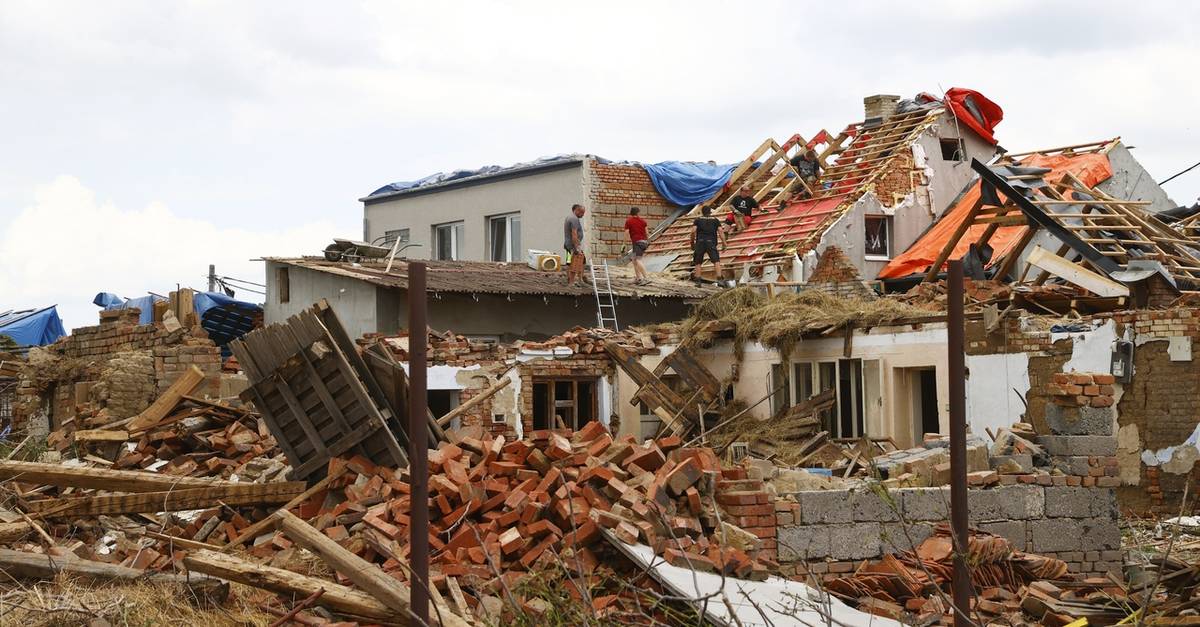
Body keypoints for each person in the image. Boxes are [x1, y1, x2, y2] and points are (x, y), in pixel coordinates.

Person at [690, 205, 727, 281]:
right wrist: (724, 243)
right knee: (716, 261)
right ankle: (720, 279)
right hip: (711, 243)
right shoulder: (715, 220)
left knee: (698, 261)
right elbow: (720, 231)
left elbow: (693, 231)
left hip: (700, 242)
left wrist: (692, 242)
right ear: (710, 212)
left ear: (702, 212)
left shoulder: (698, 220)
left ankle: (698, 280)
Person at [624, 207, 650, 285]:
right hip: (643, 242)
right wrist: (646, 241)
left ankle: (646, 278)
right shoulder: (643, 221)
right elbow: (647, 233)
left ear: (631, 213)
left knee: (638, 260)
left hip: (637, 242)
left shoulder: (629, 221)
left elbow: (626, 233)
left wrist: (624, 244)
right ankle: (638, 278)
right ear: (638, 213)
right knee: (634, 259)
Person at [563, 204, 587, 287]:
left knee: (572, 262)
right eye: (582, 212)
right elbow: (574, 234)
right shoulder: (574, 219)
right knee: (574, 262)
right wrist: (577, 248)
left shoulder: (569, 217)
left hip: (568, 245)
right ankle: (572, 282)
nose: (583, 215)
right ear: (576, 210)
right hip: (572, 246)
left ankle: (577, 279)